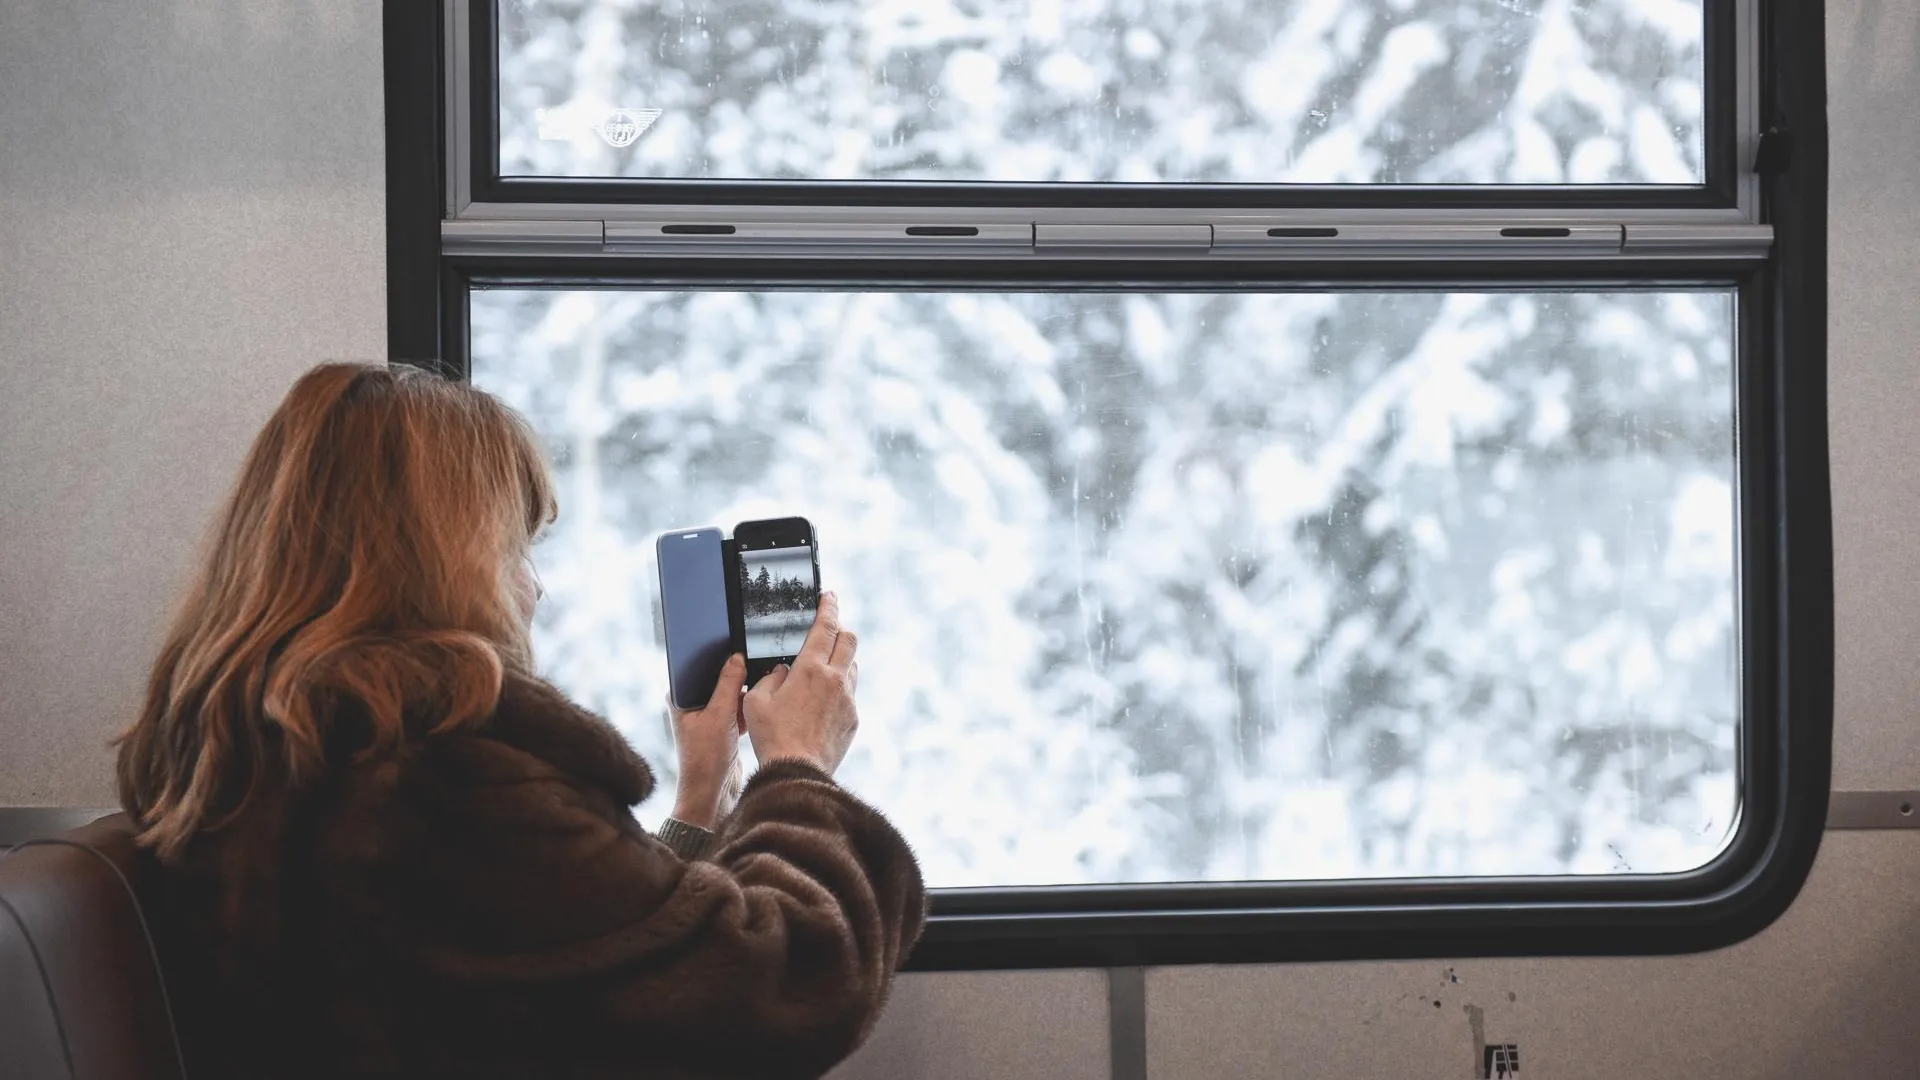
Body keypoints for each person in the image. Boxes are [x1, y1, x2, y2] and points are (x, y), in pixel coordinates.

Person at [113, 363, 926, 1080]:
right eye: (513, 550)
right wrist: (801, 771)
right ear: (441, 558)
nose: (533, 591)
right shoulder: (437, 782)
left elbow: (577, 960)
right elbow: (780, 989)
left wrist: (698, 804)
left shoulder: (278, 747)